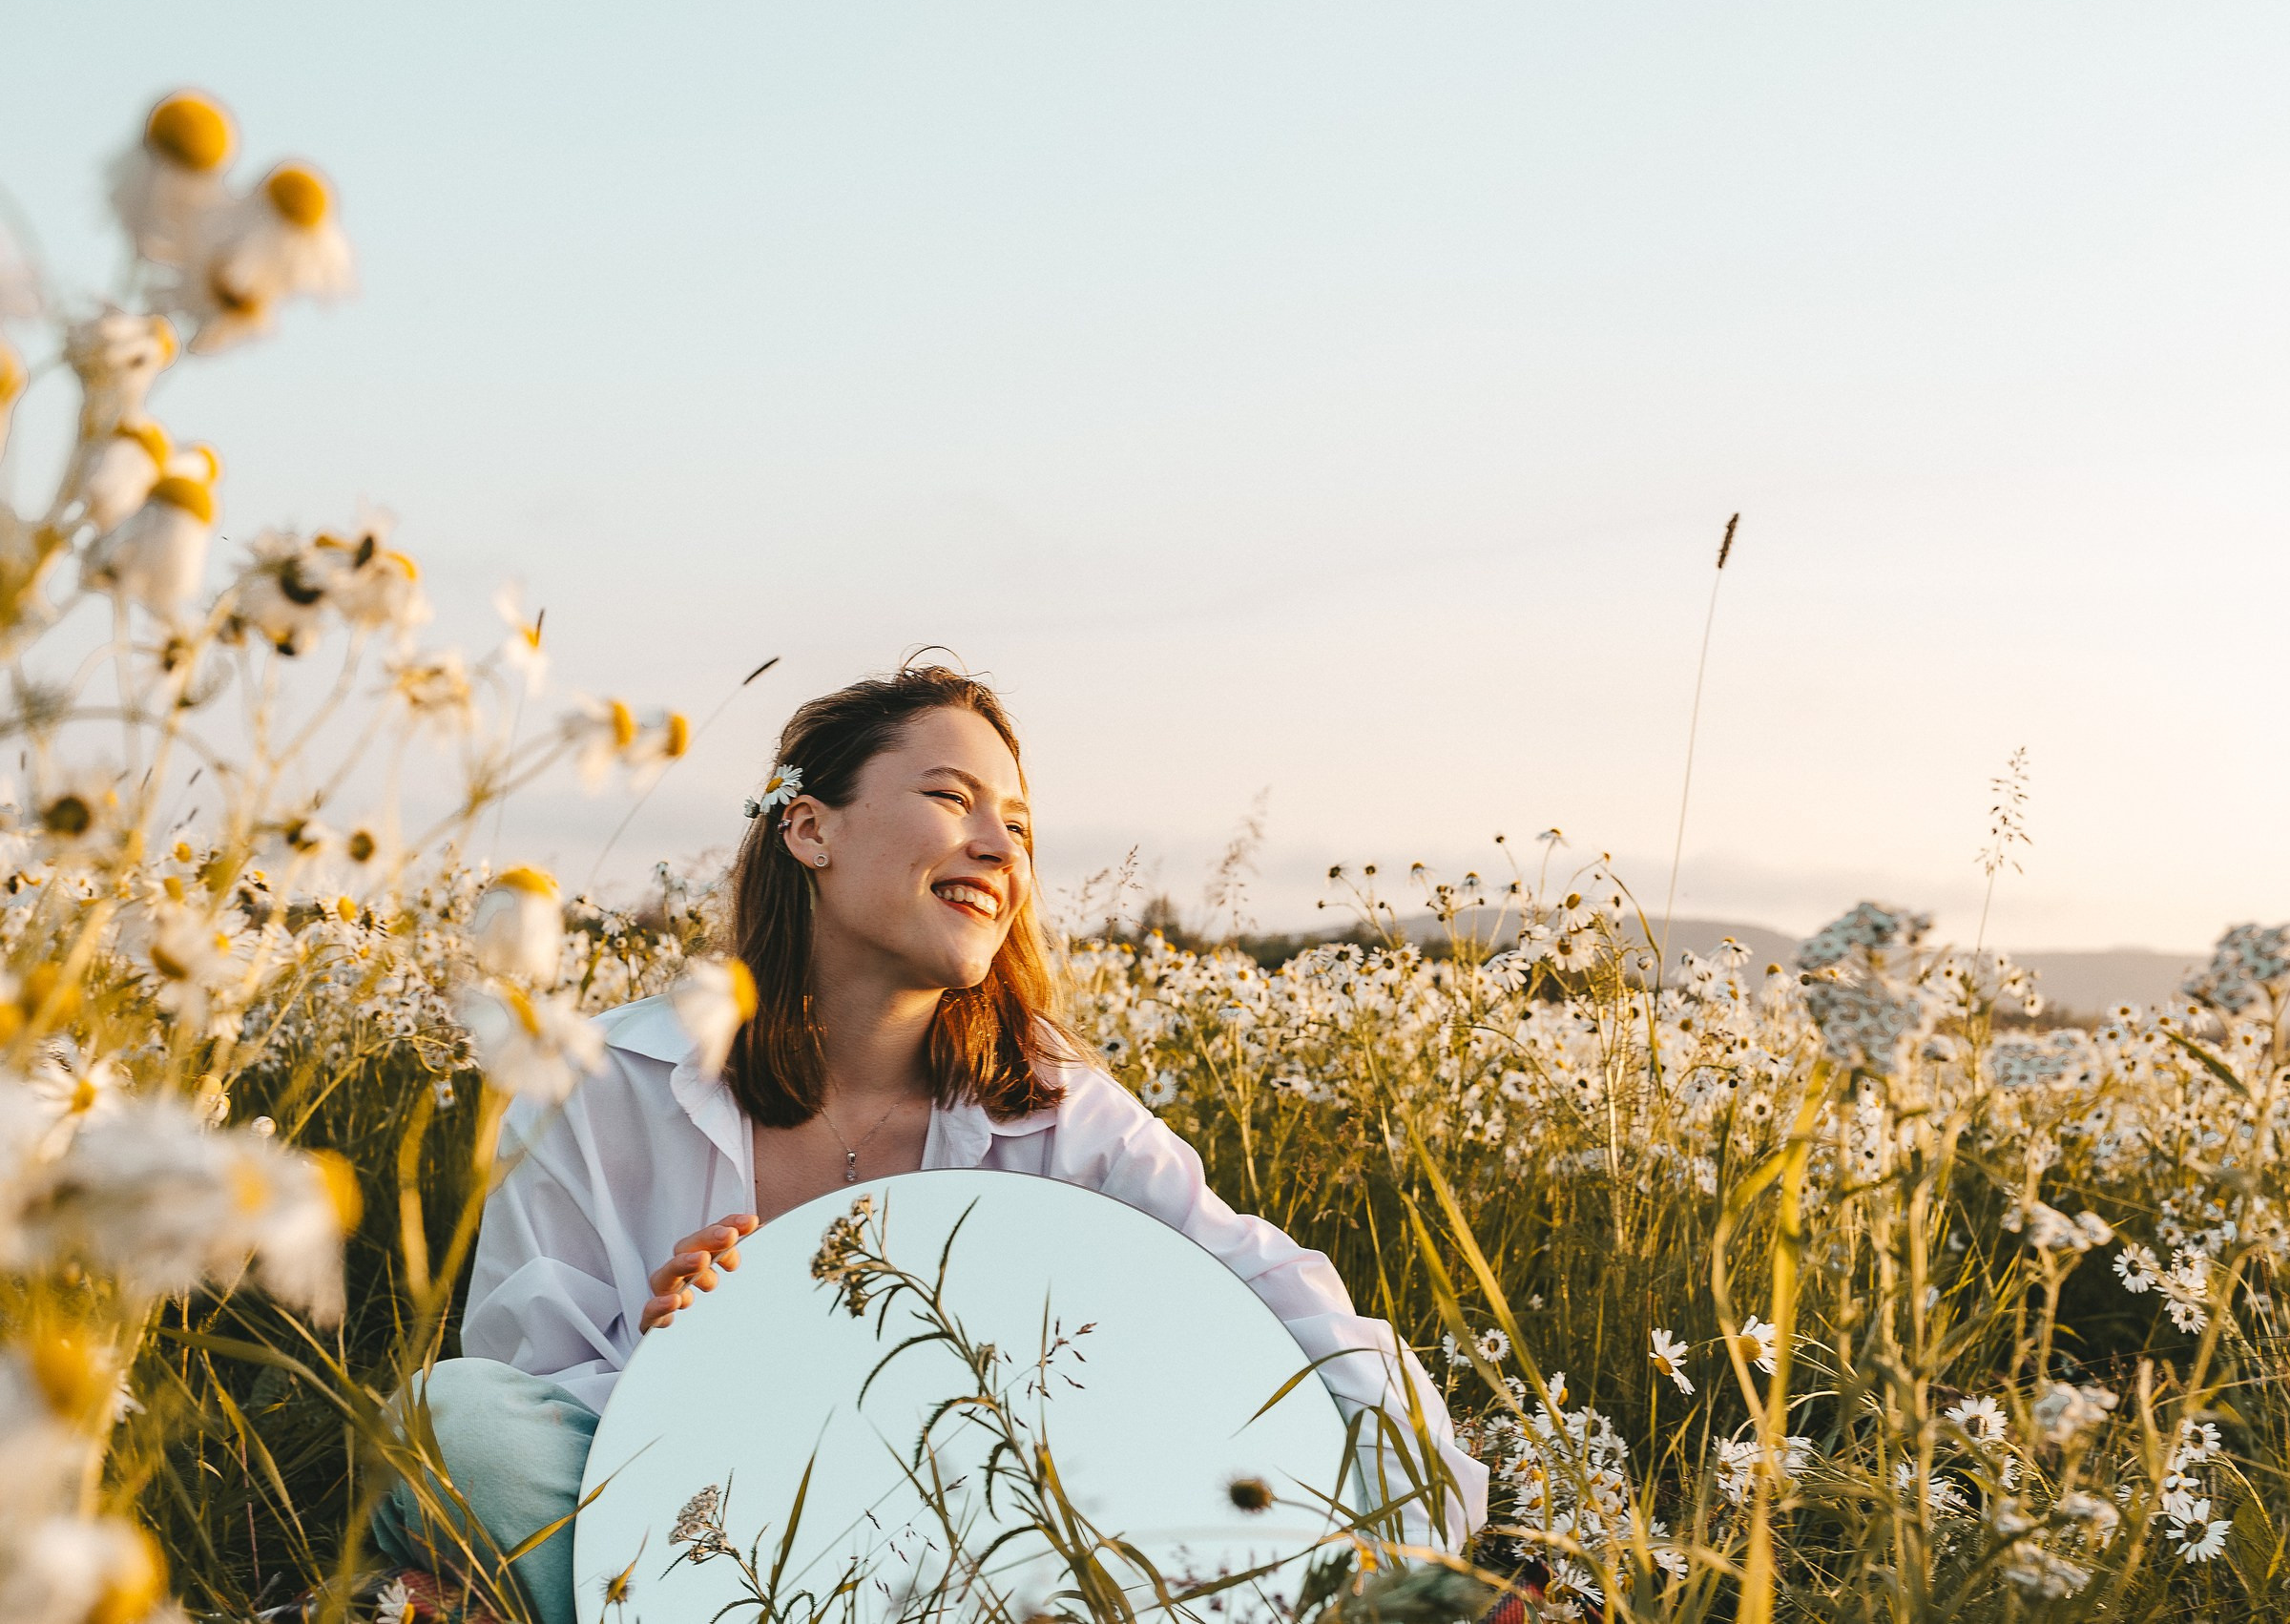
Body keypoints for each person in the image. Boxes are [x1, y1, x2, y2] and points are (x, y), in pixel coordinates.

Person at [371, 663, 1488, 1624]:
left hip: (975, 1533)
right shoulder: (602, 1081)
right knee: (452, 1422)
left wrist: (1398, 1541)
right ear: (809, 826)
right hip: (708, 1509)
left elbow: (1285, 1299)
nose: (1000, 846)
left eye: (1019, 825)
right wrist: (683, 1362)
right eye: (952, 799)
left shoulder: (1058, 1110)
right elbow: (532, 1379)